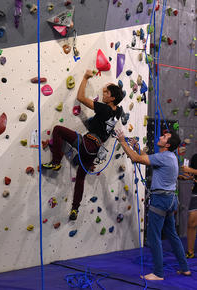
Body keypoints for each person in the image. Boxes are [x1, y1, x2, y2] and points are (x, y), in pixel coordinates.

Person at [42, 69, 124, 220]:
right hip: (95, 150)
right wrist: (115, 90)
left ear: (112, 98)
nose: (103, 93)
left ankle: (56, 163)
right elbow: (118, 100)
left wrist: (85, 77)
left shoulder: (104, 108)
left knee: (58, 130)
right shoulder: (118, 111)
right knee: (80, 178)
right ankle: (75, 209)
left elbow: (80, 97)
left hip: (87, 143)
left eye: (106, 93)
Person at [115, 129, 191, 280]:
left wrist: (123, 141)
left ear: (167, 144)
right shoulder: (170, 156)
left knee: (153, 237)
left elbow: (136, 159)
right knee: (172, 234)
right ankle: (184, 268)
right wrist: (136, 148)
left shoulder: (164, 157)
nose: (160, 137)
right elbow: (145, 158)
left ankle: (158, 273)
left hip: (161, 199)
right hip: (170, 200)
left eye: (164, 137)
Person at [181, 153, 197, 258]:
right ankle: (190, 252)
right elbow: (193, 177)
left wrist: (191, 171)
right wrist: (188, 177)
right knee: (191, 222)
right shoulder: (195, 157)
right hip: (196, 192)